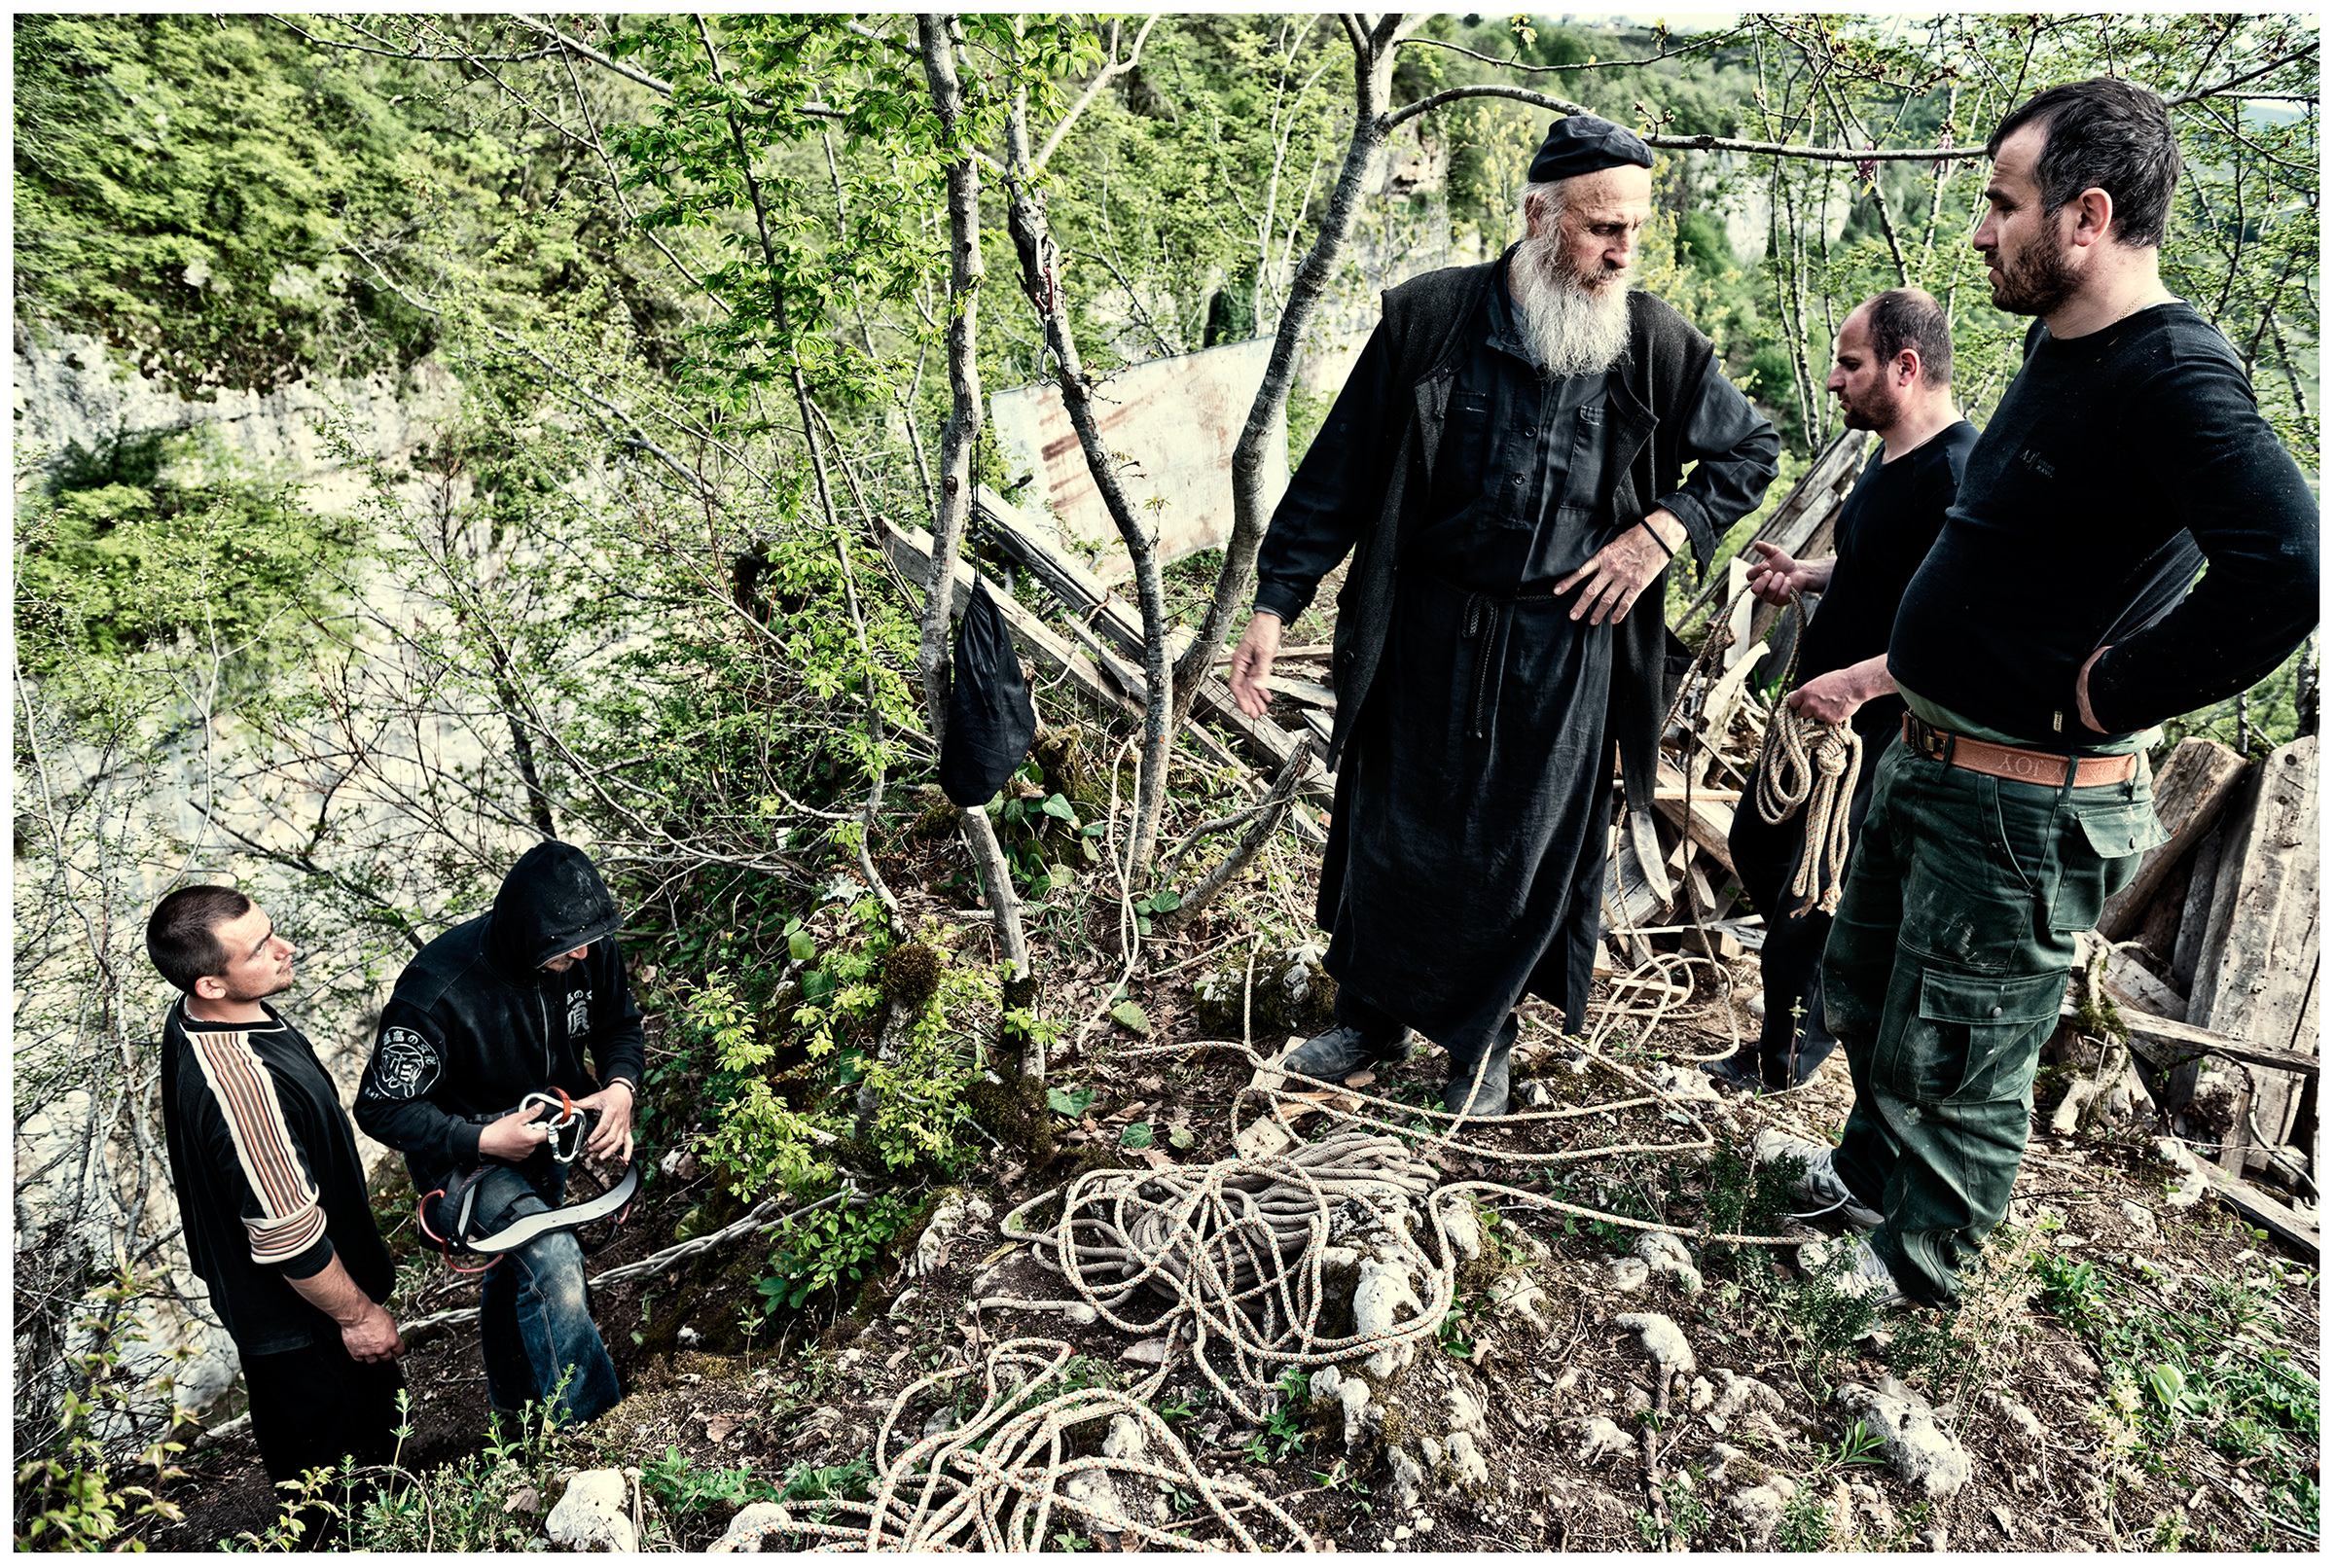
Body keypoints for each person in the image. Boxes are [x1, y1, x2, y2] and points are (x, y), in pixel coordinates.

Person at [1765, 78, 2319, 1308]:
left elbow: (2287, 568)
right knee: (1868, 985)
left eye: (2001, 203)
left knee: (1960, 1040)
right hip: (1933, 755)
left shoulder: (2174, 376)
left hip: (2022, 801)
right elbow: (2006, 565)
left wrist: (2112, 690)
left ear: (2087, 216)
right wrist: (1885, 672)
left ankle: (1921, 1265)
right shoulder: (2060, 346)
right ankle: (1867, 1176)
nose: (1979, 231)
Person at [1229, 115, 1780, 1116]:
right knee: (1393, 831)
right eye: (1600, 227)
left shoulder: (1656, 346)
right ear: (1536, 214)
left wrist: (1665, 527)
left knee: (1518, 849)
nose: (1622, 251)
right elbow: (1337, 476)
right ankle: (1368, 1019)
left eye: (1635, 231)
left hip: (1564, 652)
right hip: (1425, 631)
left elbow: (1753, 451)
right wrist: (1275, 602)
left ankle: (1481, 1047)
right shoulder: (1429, 320)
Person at [1711, 289, 1977, 1094]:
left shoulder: (1962, 476)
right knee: (1760, 850)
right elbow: (1885, 571)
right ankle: (1815, 1010)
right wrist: (1809, 573)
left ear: (1906, 367)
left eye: (1850, 364)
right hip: (1813, 721)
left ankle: (1785, 1054)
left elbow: (1968, 628)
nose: (1833, 380)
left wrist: (1860, 688)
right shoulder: (1889, 457)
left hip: (1873, 737)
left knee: (1806, 888)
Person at [356, 840, 643, 1428]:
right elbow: (381, 1109)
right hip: (466, 1157)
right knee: (553, 1258)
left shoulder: (586, 947)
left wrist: (619, 1089)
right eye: (568, 947)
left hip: (547, 1132)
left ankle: (515, 1421)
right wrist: (483, 1141)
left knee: (521, 1269)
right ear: (525, 933)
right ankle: (597, 1433)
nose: (586, 954)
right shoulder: (437, 990)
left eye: (590, 941)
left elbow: (618, 1024)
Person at [147, 886, 404, 1542]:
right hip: (310, 1334)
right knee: (353, 1509)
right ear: (210, 981)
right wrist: (359, 1316)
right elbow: (290, 1240)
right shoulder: (244, 1088)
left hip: (293, 1329)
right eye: (260, 948)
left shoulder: (209, 1014)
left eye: (270, 931)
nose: (283, 948)